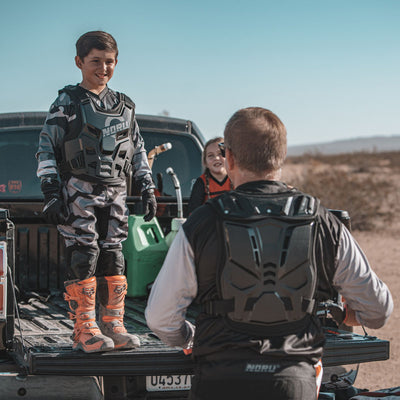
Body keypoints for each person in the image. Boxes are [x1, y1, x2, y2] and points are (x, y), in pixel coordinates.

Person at [145, 107, 393, 400]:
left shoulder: (201, 223)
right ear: (281, 157)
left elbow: (160, 318)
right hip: (294, 383)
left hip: (218, 381)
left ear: (230, 158)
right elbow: (378, 310)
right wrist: (342, 315)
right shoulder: (324, 222)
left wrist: (192, 337)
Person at [36, 31, 157, 353]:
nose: (103, 68)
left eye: (109, 62)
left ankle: (113, 324)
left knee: (113, 255)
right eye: (96, 62)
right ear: (79, 62)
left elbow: (137, 149)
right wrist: (50, 190)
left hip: (116, 191)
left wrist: (147, 186)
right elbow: (46, 147)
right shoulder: (67, 102)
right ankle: (84, 329)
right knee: (84, 254)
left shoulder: (125, 106)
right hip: (78, 188)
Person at [187, 137, 232, 214]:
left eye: (220, 154)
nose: (216, 158)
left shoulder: (236, 179)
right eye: (211, 155)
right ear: (205, 162)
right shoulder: (201, 183)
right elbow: (193, 214)